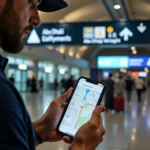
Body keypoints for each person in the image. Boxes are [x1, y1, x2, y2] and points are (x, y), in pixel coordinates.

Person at [0, 0, 106, 149]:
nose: (37, 20)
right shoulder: (2, 93)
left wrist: (42, 129)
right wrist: (82, 146)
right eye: (31, 4)